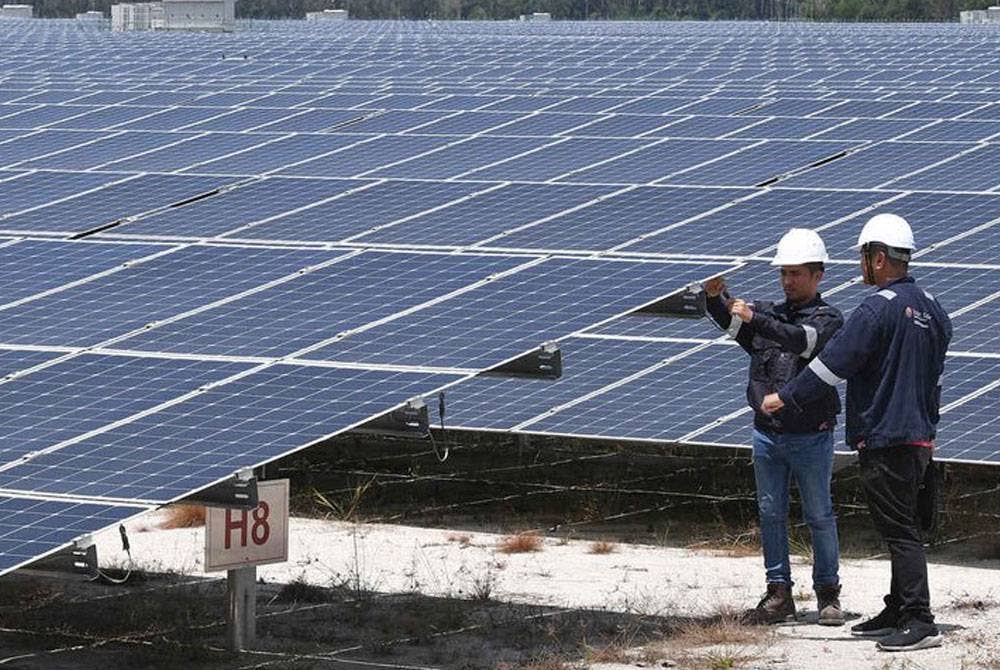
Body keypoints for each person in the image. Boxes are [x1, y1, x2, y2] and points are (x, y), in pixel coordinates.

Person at [762, 213, 952, 652]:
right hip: (919, 435)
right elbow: (933, 373)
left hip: (886, 433)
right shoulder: (933, 306)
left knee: (900, 529)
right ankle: (897, 607)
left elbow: (833, 364)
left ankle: (919, 619)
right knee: (898, 523)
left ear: (879, 258)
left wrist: (786, 397)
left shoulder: (876, 308)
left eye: (864, 257)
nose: (862, 265)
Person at [704, 228, 845, 626]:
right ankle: (778, 593)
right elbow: (734, 327)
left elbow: (801, 341)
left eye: (796, 273)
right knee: (770, 514)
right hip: (767, 433)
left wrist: (754, 316)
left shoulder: (828, 319)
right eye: (784, 273)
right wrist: (716, 298)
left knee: (819, 514)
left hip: (811, 434)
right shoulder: (769, 313)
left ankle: (828, 594)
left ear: (818, 275)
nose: (787, 281)